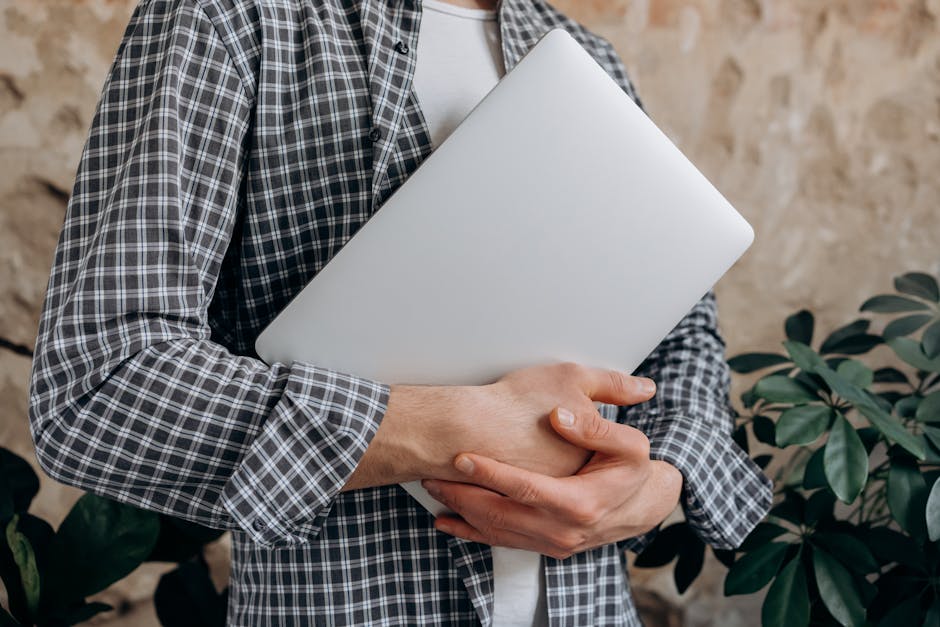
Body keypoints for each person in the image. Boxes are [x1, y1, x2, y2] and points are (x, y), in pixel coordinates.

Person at [27, 0, 772, 624]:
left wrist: (660, 480)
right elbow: (99, 377)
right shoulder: (225, 17)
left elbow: (684, 333)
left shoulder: (585, 56)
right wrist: (447, 429)